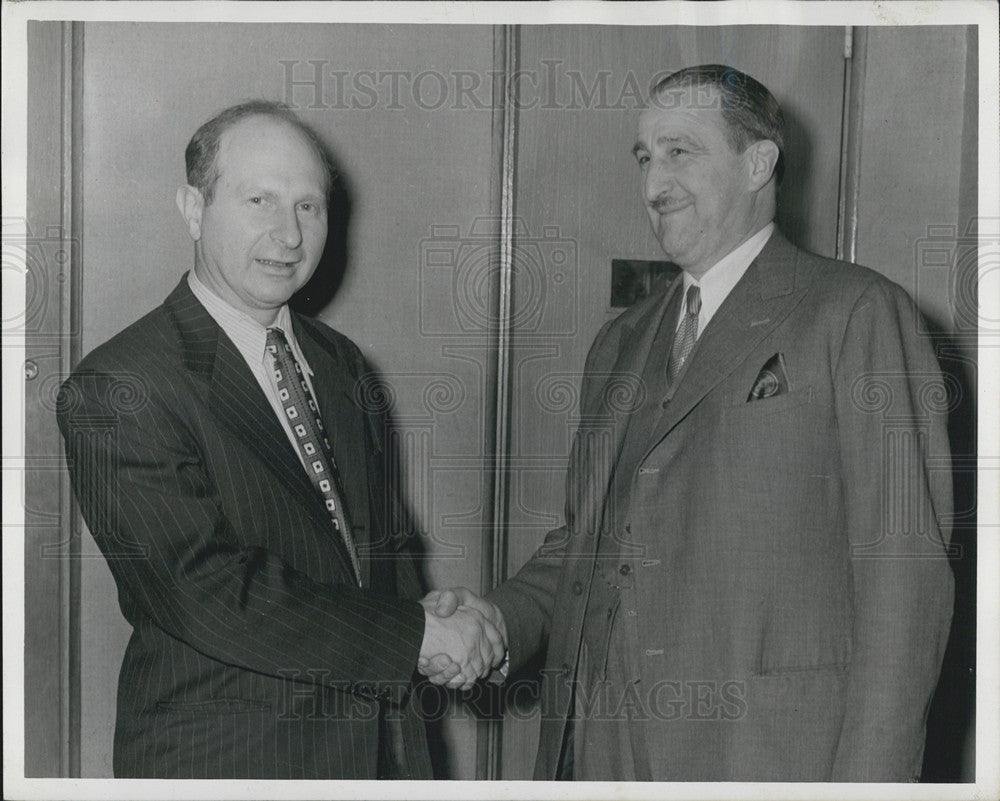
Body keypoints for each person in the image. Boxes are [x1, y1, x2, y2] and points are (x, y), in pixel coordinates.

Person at [425, 65, 955, 782]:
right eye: (645, 157)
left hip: (768, 754)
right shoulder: (622, 340)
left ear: (758, 162)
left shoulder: (855, 313)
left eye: (681, 152)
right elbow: (587, 541)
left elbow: (906, 583)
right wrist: (496, 619)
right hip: (600, 748)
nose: (654, 184)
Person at [57, 100, 504, 779]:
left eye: (309, 206)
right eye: (259, 199)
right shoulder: (121, 385)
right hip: (227, 759)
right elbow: (203, 588)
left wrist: (438, 613)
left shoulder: (342, 362)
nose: (288, 234)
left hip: (380, 754)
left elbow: (375, 546)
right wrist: (416, 637)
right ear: (193, 208)